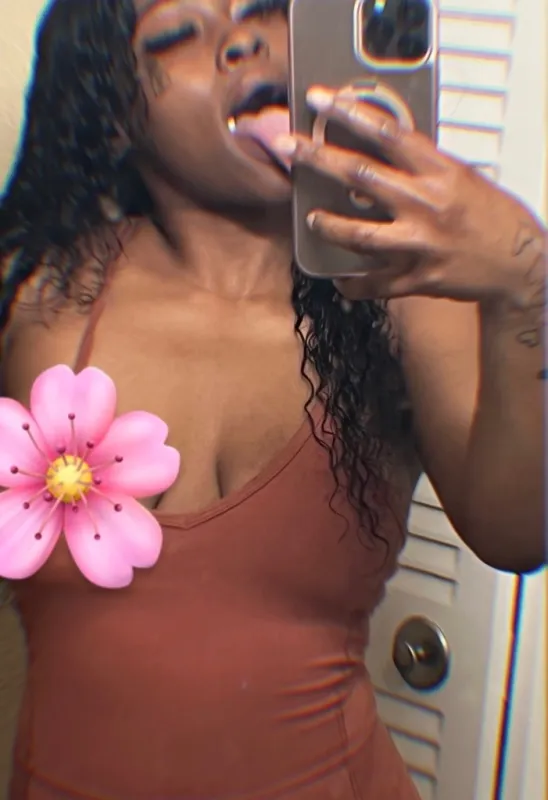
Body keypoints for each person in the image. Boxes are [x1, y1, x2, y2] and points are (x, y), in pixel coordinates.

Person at [0, 0, 545, 797]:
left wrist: (525, 285)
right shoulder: (35, 294)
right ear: (115, 114)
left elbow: (520, 533)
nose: (243, 39)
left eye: (263, 10)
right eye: (178, 34)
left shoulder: (400, 295)